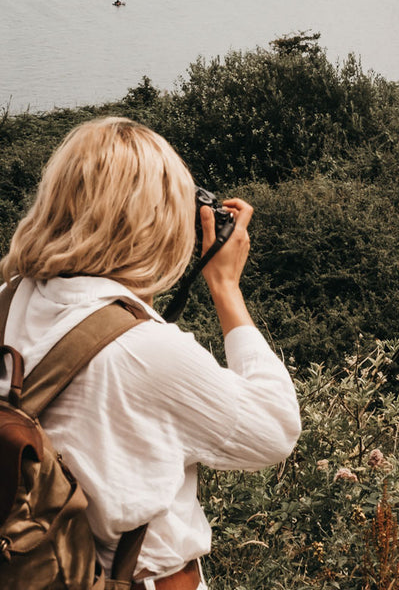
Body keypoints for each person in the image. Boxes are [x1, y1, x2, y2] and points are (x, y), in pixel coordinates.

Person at [0, 117, 301, 590]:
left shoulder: (7, 300)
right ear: (151, 224)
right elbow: (275, 430)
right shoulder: (145, 350)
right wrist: (225, 288)